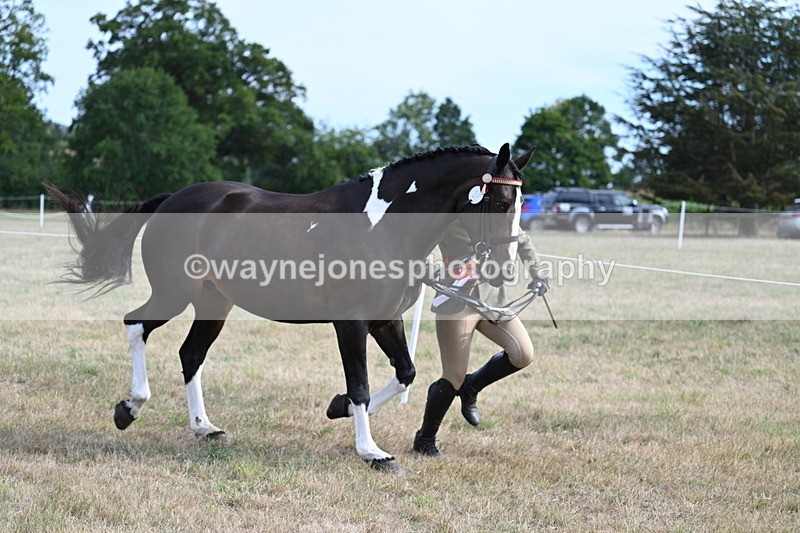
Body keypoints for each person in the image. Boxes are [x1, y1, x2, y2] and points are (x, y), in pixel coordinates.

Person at [413, 221, 549, 456]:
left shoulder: (497, 212)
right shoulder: (451, 211)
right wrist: (431, 271)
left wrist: (539, 275)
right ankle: (425, 438)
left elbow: (522, 240)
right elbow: (416, 244)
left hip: (491, 300)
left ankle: (471, 387)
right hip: (456, 299)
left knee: (522, 354)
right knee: (453, 375)